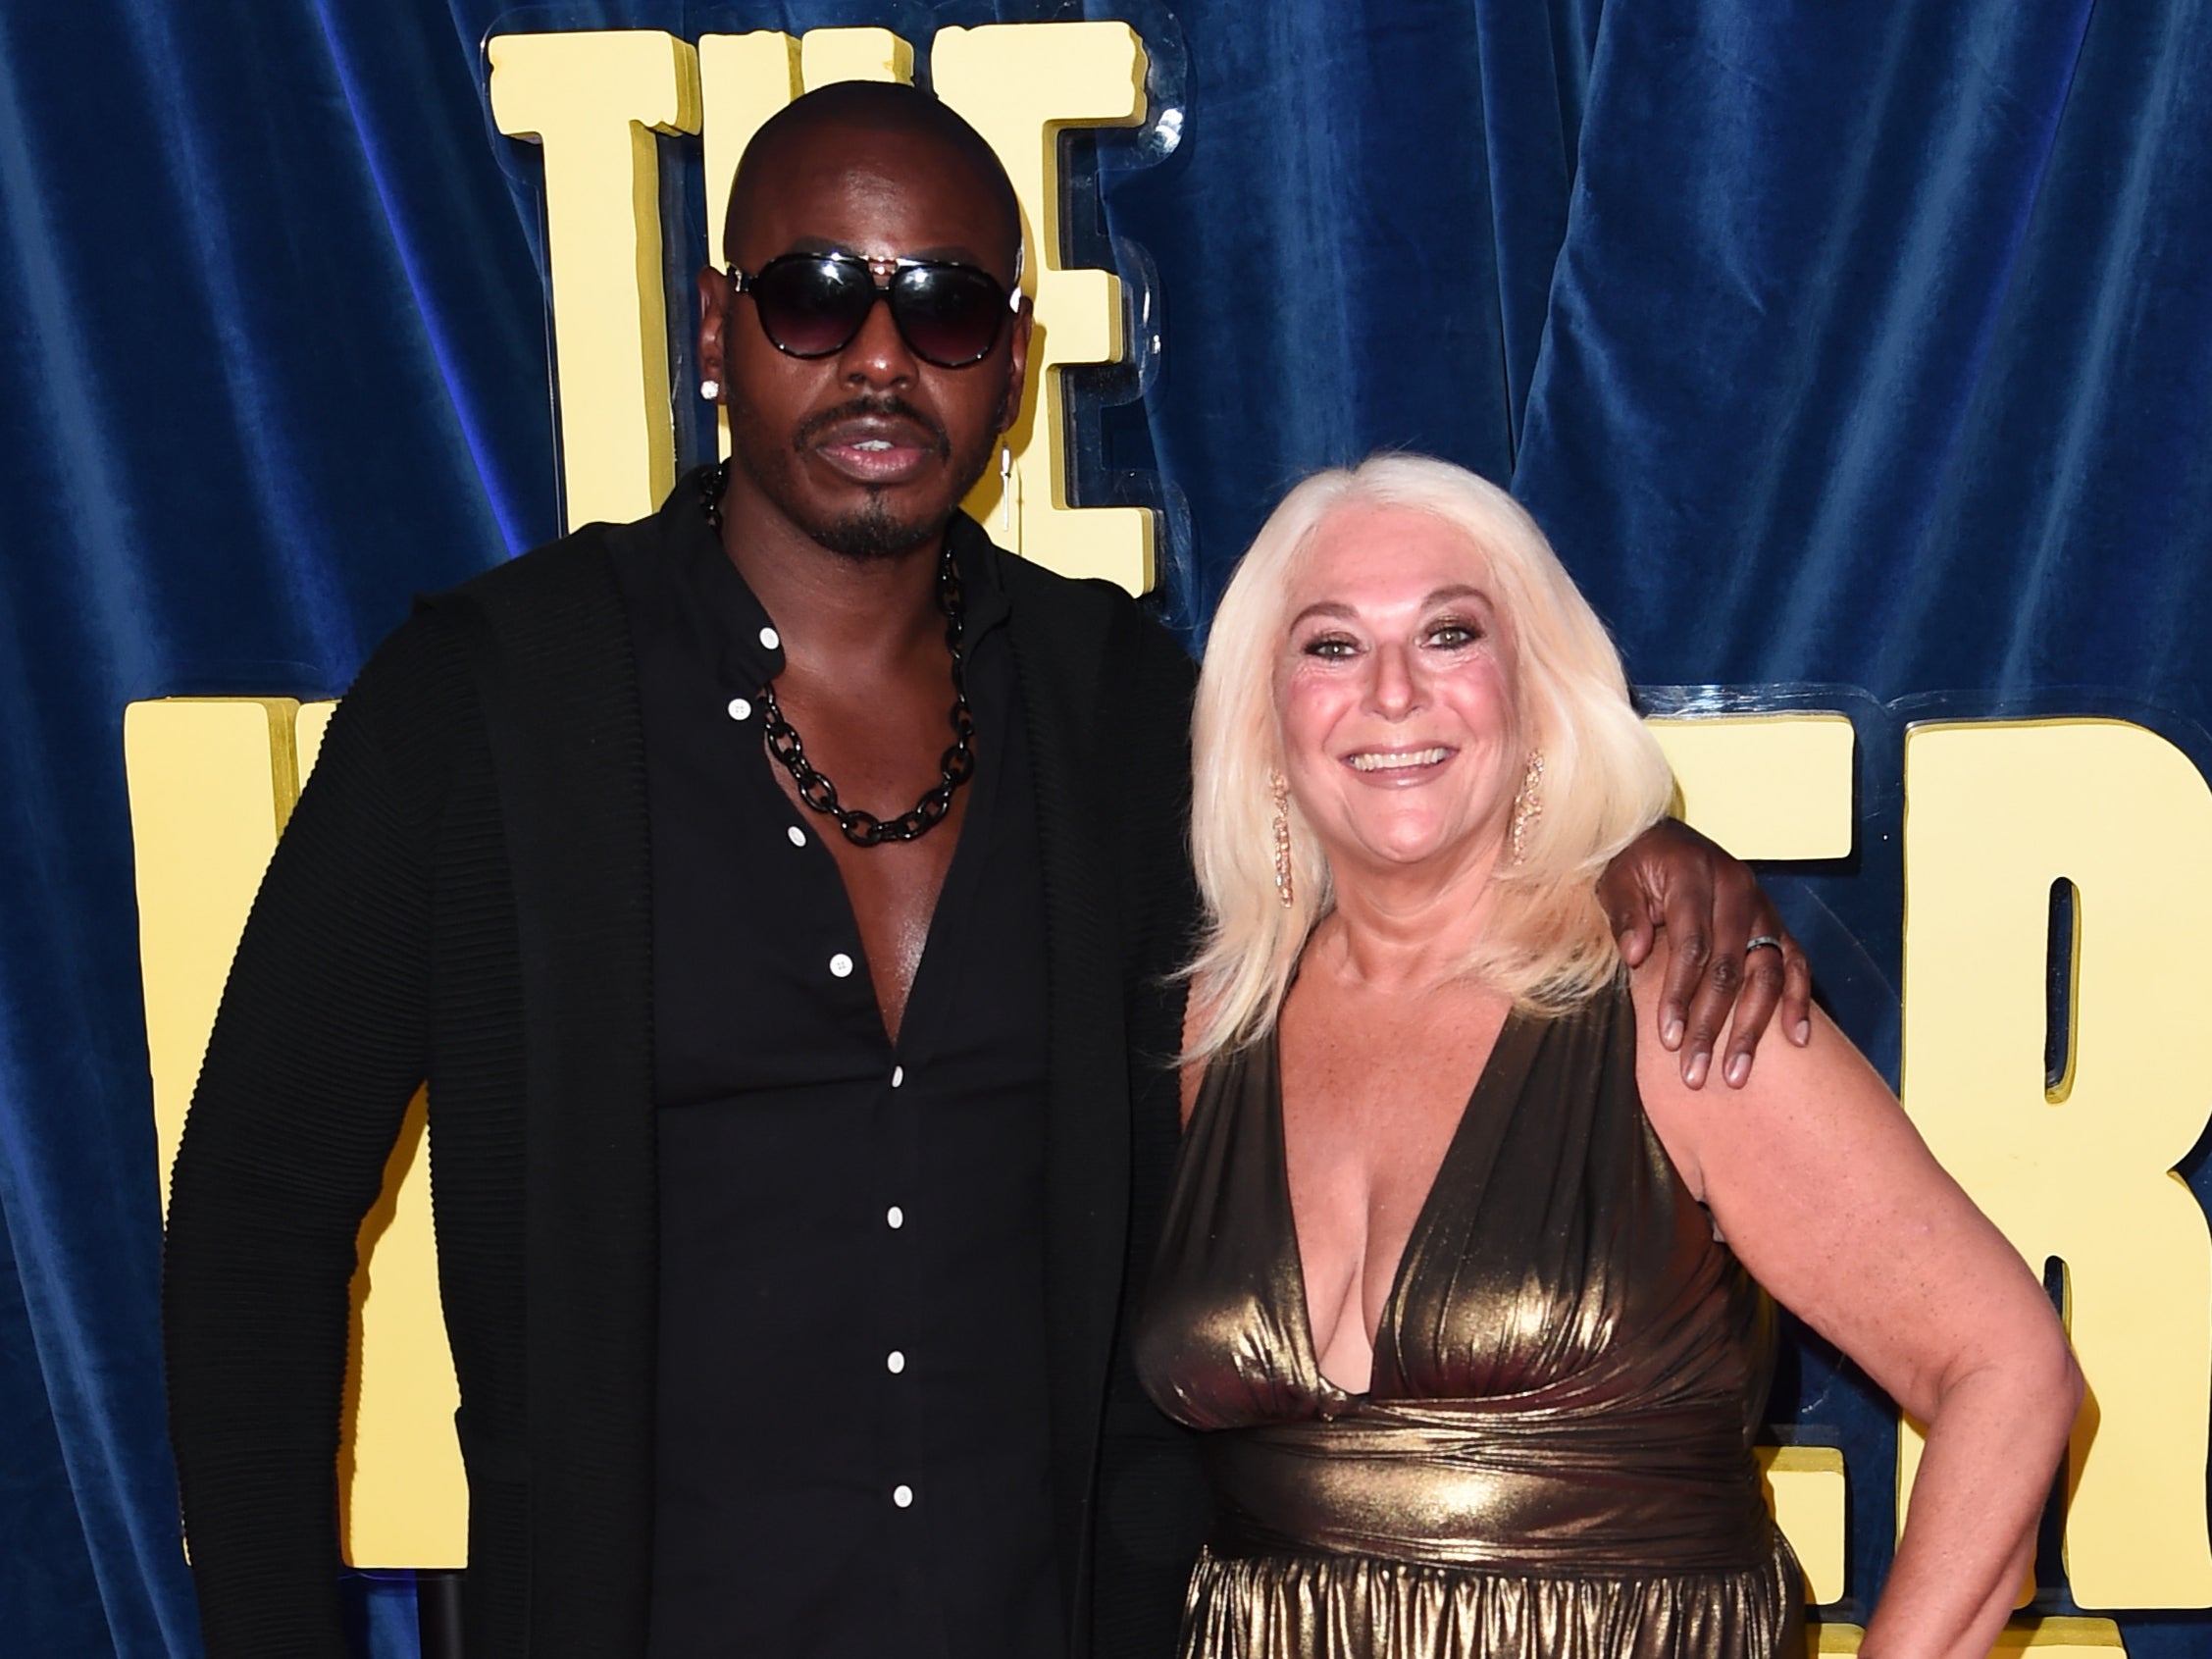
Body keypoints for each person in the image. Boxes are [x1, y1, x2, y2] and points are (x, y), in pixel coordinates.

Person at [162, 86, 1805, 1659]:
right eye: (818, 296)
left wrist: (1622, 843)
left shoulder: (1120, 712)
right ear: (715, 329)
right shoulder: (490, 705)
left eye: (944, 309)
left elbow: (1406, 830)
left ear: (1013, 364)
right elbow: (255, 1223)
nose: (880, 358)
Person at [1134, 454, 2083, 1659]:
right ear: (1261, 716)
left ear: (1532, 692)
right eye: (1329, 646)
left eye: (1448, 633)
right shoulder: (1215, 1016)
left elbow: (2004, 1365)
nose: (1388, 691)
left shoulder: (1675, 995)